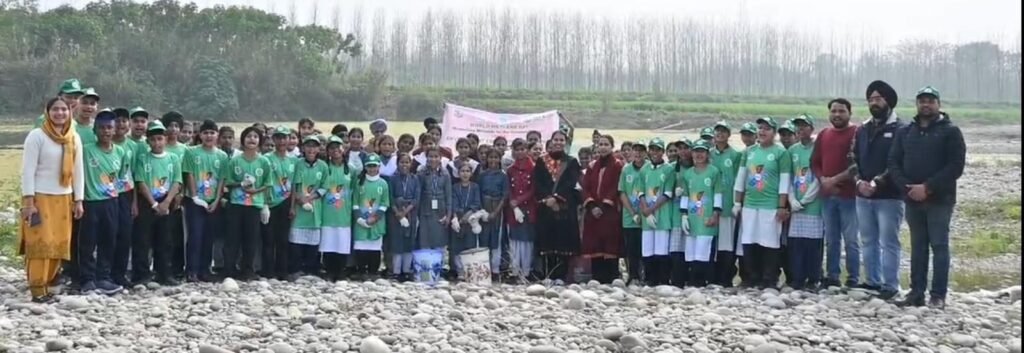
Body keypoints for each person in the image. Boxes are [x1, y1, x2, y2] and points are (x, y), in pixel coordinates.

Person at [891, 86, 966, 309]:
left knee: (939, 245)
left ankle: (938, 295)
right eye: (922, 101)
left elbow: (955, 166)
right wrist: (908, 188)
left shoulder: (951, 132)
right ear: (916, 104)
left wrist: (928, 187)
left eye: (931, 101)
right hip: (912, 198)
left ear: (938, 104)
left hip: (940, 199)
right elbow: (893, 162)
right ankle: (916, 293)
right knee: (917, 247)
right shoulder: (905, 131)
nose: (926, 104)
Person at [21, 97, 85, 303]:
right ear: (47, 112)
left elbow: (78, 171)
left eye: (64, 109)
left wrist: (79, 200)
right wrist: (29, 202)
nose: (60, 113)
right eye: (55, 109)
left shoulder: (73, 138)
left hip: (64, 198)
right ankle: (37, 289)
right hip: (40, 198)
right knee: (40, 244)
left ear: (70, 112)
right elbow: (27, 171)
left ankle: (48, 284)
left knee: (58, 244)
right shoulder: (37, 136)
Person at [853, 80, 907, 296]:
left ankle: (890, 285)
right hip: (863, 195)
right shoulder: (863, 129)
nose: (874, 103)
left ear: (888, 101)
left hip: (889, 196)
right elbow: (852, 157)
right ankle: (873, 280)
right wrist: (858, 181)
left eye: (878, 99)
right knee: (867, 240)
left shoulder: (901, 129)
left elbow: (898, 162)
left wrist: (877, 182)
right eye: (871, 99)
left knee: (889, 242)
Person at [734, 117, 791, 289]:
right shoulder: (749, 152)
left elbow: (784, 181)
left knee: (770, 242)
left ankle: (769, 279)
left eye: (767, 129)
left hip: (770, 205)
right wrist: (737, 203)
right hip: (750, 204)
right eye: (760, 128)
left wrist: (781, 206)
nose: (762, 132)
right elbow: (741, 178)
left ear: (774, 132)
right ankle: (752, 277)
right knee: (750, 241)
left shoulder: (781, 153)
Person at [811, 98, 860, 290]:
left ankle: (853, 278)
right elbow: (815, 162)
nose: (837, 115)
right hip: (827, 197)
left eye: (841, 111)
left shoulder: (857, 133)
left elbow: (858, 165)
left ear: (849, 113)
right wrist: (823, 179)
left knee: (851, 240)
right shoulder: (824, 134)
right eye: (833, 111)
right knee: (831, 239)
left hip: (850, 196)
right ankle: (832, 276)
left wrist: (835, 180)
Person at [131, 120, 183, 286]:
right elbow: (140, 182)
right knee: (143, 240)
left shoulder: (173, 158)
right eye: (153, 139)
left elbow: (177, 180)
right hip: (148, 203)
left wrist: (167, 202)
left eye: (160, 139)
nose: (157, 143)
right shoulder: (143, 158)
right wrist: (154, 204)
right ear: (148, 141)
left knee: (165, 240)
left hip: (166, 202)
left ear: (166, 140)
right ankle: (142, 274)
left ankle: (165, 273)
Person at [221, 127, 272, 281]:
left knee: (251, 239)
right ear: (243, 140)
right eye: (248, 136)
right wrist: (240, 184)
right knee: (232, 238)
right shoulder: (235, 160)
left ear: (260, 141)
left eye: (255, 136)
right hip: (236, 204)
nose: (252, 139)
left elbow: (268, 183)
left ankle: (248, 270)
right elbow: (228, 182)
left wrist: (256, 192)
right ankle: (229, 269)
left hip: (254, 205)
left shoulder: (264, 161)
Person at [182, 120, 228, 282]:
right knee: (195, 235)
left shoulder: (222, 156)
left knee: (209, 237)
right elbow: (189, 174)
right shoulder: (191, 152)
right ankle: (191, 270)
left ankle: (204, 269)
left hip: (212, 202)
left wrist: (216, 200)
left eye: (212, 133)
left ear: (217, 135)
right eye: (206, 133)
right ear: (200, 135)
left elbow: (222, 179)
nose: (209, 136)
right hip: (195, 201)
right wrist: (195, 197)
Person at [533, 130, 582, 283]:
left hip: (565, 207)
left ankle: (561, 275)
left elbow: (571, 182)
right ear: (551, 141)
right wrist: (547, 198)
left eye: (562, 140)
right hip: (546, 206)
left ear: (565, 142)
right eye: (556, 139)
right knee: (547, 239)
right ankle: (549, 274)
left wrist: (556, 198)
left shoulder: (572, 162)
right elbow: (538, 182)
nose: (559, 142)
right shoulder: (541, 161)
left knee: (563, 241)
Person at [786, 115, 824, 290]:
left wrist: (806, 199)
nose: (800, 130)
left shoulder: (819, 148)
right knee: (797, 244)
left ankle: (813, 278)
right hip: (796, 203)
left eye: (804, 126)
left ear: (811, 128)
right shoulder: (792, 151)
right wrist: (792, 199)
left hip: (814, 203)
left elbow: (819, 177)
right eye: (798, 127)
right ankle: (797, 278)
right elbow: (788, 177)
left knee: (813, 244)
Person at [581, 135, 624, 284]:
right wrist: (592, 205)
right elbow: (585, 187)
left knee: (610, 242)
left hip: (609, 211)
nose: (603, 147)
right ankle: (597, 276)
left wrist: (604, 205)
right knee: (594, 242)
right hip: (593, 211)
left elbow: (616, 187)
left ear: (612, 147)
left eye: (606, 144)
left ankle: (612, 276)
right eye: (601, 144)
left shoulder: (618, 165)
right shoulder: (592, 166)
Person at [679, 140, 723, 287]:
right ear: (692, 154)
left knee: (703, 249)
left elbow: (717, 194)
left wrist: (715, 214)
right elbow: (685, 195)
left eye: (702, 152)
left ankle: (702, 280)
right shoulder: (688, 174)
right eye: (696, 152)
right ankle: (691, 280)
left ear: (707, 154)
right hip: (692, 217)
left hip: (706, 216)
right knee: (690, 249)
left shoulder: (713, 171)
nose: (699, 155)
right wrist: (684, 214)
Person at [708, 122, 743, 287]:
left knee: (726, 243)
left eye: (724, 131)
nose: (720, 134)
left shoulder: (735, 155)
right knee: (710, 241)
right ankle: (710, 275)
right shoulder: (708, 154)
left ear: (729, 135)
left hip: (728, 205)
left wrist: (737, 202)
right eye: (717, 131)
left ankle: (725, 277)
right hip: (709, 206)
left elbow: (738, 180)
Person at [289, 135, 328, 280]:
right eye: (308, 146)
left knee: (313, 241)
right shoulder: (298, 163)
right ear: (303, 148)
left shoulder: (323, 166)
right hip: (299, 208)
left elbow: (325, 187)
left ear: (319, 149)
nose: (311, 149)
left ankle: (311, 270)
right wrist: (295, 203)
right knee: (296, 240)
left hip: (315, 207)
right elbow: (294, 185)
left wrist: (310, 198)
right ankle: (295, 269)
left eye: (314, 146)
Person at [639, 138, 676, 286]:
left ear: (663, 152)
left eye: (658, 149)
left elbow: (667, 193)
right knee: (647, 248)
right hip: (647, 215)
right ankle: (650, 279)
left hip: (662, 214)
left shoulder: (668, 169)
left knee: (661, 248)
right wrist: (645, 210)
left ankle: (662, 279)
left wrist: (651, 209)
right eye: (652, 149)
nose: (655, 152)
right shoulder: (644, 169)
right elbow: (640, 192)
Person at [320, 136, 356, 281]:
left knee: (342, 241)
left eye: (338, 147)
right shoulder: (324, 167)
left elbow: (354, 188)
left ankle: (341, 270)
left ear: (343, 149)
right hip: (327, 211)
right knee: (328, 241)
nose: (336, 151)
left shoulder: (351, 169)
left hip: (344, 211)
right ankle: (329, 269)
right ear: (328, 151)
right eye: (332, 148)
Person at [265, 127, 299, 279]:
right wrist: (264, 204)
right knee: (268, 239)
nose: (281, 141)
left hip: (286, 201)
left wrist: (292, 206)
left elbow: (294, 185)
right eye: (278, 137)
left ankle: (282, 271)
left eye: (284, 137)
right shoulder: (266, 158)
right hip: (270, 202)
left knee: (283, 239)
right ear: (274, 139)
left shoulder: (294, 161)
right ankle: (268, 271)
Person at [111, 108, 139, 287]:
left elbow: (134, 174)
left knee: (125, 235)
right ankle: (104, 273)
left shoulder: (133, 146)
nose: (121, 124)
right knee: (108, 234)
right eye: (117, 121)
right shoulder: (104, 143)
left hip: (126, 194)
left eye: (124, 121)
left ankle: (120, 274)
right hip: (106, 194)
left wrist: (135, 202)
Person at [352, 154, 390, 280]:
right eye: (369, 166)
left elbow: (385, 203)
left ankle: (373, 272)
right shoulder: (359, 183)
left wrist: (375, 218)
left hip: (376, 222)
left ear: (379, 167)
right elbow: (355, 203)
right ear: (365, 167)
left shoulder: (383, 184)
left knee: (374, 247)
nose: (372, 169)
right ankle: (361, 271)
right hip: (361, 221)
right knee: (361, 246)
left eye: (374, 166)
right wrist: (360, 220)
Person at [160, 111, 188, 278]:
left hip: (179, 197)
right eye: (169, 125)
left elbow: (186, 174)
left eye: (176, 126)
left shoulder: (185, 150)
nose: (173, 129)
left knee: (178, 234)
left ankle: (178, 268)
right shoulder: (159, 147)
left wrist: (181, 193)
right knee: (163, 235)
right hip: (160, 196)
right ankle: (163, 268)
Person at [506, 139, 537, 283]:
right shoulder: (511, 169)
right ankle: (514, 270)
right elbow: (509, 189)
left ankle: (526, 270)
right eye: (517, 149)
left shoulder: (534, 168)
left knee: (527, 240)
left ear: (527, 150)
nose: (520, 152)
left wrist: (519, 200)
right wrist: (513, 203)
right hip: (514, 209)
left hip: (529, 208)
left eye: (523, 149)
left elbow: (533, 189)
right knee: (514, 239)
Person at [387, 153, 420, 282]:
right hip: (395, 214)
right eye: (402, 162)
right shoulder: (392, 179)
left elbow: (416, 198)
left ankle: (406, 271)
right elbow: (390, 198)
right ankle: (396, 271)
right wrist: (397, 213)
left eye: (407, 162)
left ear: (411, 164)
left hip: (410, 213)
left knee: (409, 242)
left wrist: (406, 211)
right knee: (396, 242)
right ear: (397, 164)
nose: (404, 165)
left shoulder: (415, 179)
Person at [477, 149, 508, 282]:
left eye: (496, 157)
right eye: (491, 157)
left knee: (496, 239)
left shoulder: (503, 176)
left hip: (497, 208)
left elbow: (505, 195)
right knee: (483, 239)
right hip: (484, 206)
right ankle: (484, 269)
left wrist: (496, 212)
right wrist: (482, 211)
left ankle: (495, 270)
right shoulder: (482, 175)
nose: (493, 160)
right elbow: (477, 193)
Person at [619, 142, 647, 285]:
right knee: (631, 248)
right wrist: (632, 212)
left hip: (647, 216)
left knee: (645, 247)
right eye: (635, 150)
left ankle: (645, 275)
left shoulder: (649, 168)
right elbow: (622, 192)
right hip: (629, 216)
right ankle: (632, 275)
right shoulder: (626, 169)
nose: (638, 153)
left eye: (641, 151)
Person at [449, 163, 483, 279]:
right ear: (458, 173)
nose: (465, 173)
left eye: (467, 171)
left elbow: (477, 203)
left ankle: (469, 270)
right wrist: (457, 216)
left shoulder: (475, 187)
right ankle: (460, 271)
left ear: (471, 173)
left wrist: (467, 214)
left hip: (470, 220)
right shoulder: (455, 187)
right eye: (462, 171)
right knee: (457, 246)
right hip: (458, 220)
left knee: (470, 245)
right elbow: (453, 203)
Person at [669, 140, 691, 287]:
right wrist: (672, 192)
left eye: (685, 148)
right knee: (676, 247)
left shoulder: (697, 167)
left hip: (695, 212)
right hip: (676, 212)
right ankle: (677, 280)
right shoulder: (671, 168)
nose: (682, 151)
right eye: (680, 148)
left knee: (691, 246)